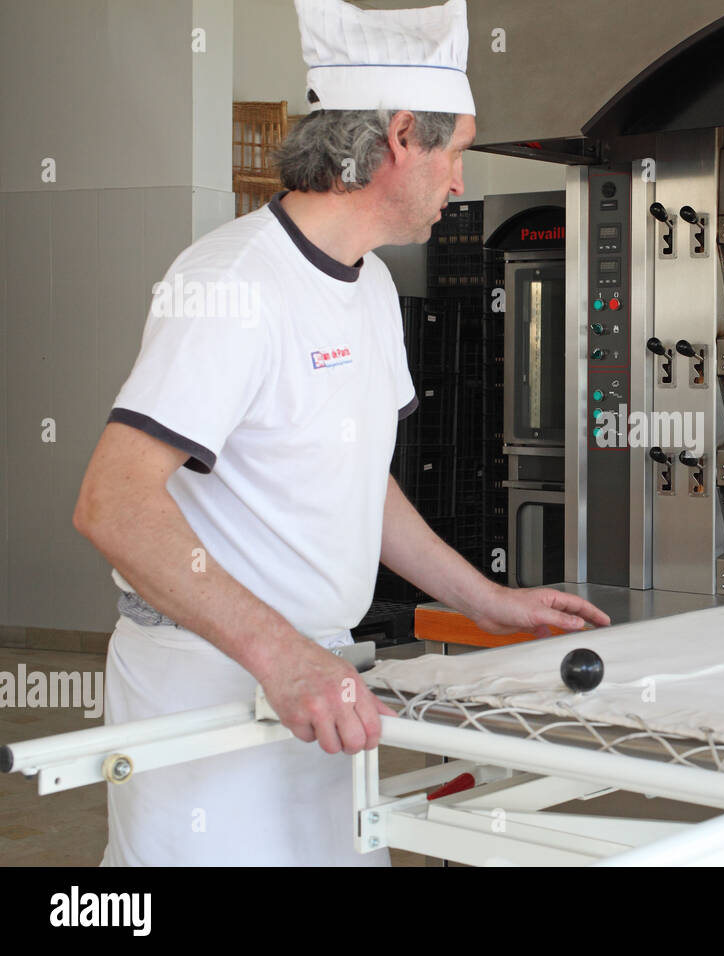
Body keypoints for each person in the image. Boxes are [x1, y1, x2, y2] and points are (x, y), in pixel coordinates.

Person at [72, 0, 609, 866]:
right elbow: (113, 504)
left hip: (319, 684)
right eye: (457, 149)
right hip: (207, 682)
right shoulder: (231, 282)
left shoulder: (366, 291)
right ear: (402, 136)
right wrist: (279, 656)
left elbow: (363, 484)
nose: (460, 182)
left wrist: (487, 600)